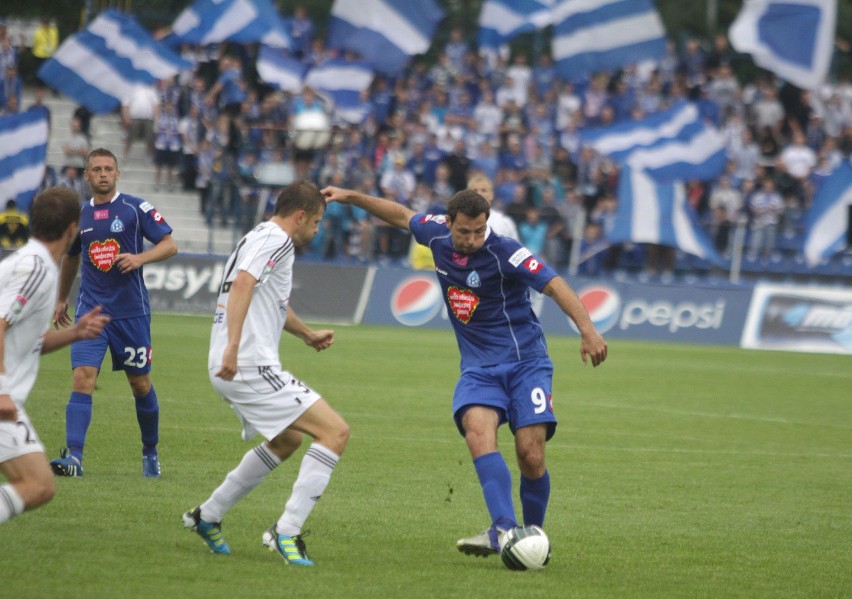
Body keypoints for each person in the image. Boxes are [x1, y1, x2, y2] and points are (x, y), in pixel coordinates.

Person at [322, 185, 607, 560]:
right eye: (464, 232)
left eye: (479, 231)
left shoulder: (506, 251)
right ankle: (504, 531)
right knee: (478, 432)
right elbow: (398, 213)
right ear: (449, 222)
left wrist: (588, 329)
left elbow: (555, 285)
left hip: (526, 363)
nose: (472, 240)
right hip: (479, 368)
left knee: (531, 455)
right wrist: (350, 196)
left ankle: (534, 536)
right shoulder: (435, 232)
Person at [183, 180, 349, 567]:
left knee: (287, 439)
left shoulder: (257, 237)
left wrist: (306, 334)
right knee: (334, 432)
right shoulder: (279, 240)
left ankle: (207, 515)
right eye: (318, 222)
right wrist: (233, 347)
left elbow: (268, 299)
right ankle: (286, 531)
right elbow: (243, 284)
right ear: (301, 216)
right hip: (247, 365)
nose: (317, 229)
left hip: (237, 364)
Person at [49, 148, 178, 478]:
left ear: (117, 174)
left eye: (109, 168)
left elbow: (169, 244)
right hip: (90, 314)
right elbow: (72, 257)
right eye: (97, 169)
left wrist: (139, 258)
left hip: (131, 314)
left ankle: (150, 451)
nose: (103, 173)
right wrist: (62, 298)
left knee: (140, 384)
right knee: (82, 378)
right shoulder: (80, 217)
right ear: (88, 175)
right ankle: (74, 458)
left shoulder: (135, 208)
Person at [0, 187, 110, 525]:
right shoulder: (36, 268)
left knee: (39, 484)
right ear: (73, 229)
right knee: (37, 484)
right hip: (3, 399)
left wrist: (75, 333)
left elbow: (30, 340)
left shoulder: (34, 263)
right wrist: (2, 390)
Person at [467, 174, 519, 241]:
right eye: (475, 190)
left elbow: (515, 249)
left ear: (492, 195)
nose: (479, 194)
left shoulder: (504, 222)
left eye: (483, 190)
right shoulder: (459, 222)